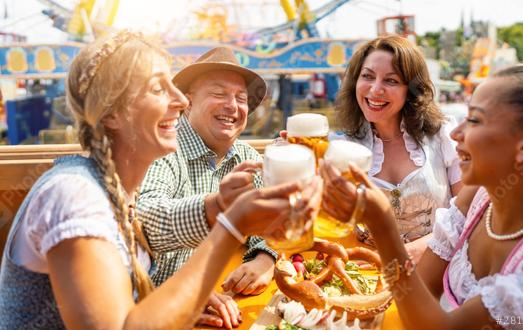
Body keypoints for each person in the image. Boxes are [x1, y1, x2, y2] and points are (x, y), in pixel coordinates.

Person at [0, 30, 322, 329]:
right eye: (158, 88)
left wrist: (181, 299)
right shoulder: (72, 194)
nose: (180, 101)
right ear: (111, 114)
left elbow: (129, 299)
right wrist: (229, 219)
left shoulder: (114, 190)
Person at [321, 64, 523, 329]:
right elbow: (418, 292)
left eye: (474, 120)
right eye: (366, 76)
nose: (457, 133)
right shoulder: (477, 197)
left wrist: (382, 224)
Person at [137, 47, 276, 298]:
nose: (232, 106)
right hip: (153, 302)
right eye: (218, 93)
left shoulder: (247, 156)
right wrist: (216, 207)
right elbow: (145, 219)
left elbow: (271, 221)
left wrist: (264, 259)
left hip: (210, 293)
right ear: (187, 102)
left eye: (241, 98)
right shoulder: (165, 148)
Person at [329, 35, 462, 261]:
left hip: (439, 270)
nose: (375, 89)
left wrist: (421, 247)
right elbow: (330, 223)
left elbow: (467, 211)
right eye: (367, 76)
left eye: (391, 81)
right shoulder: (340, 148)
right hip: (371, 272)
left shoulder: (443, 134)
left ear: (411, 90)